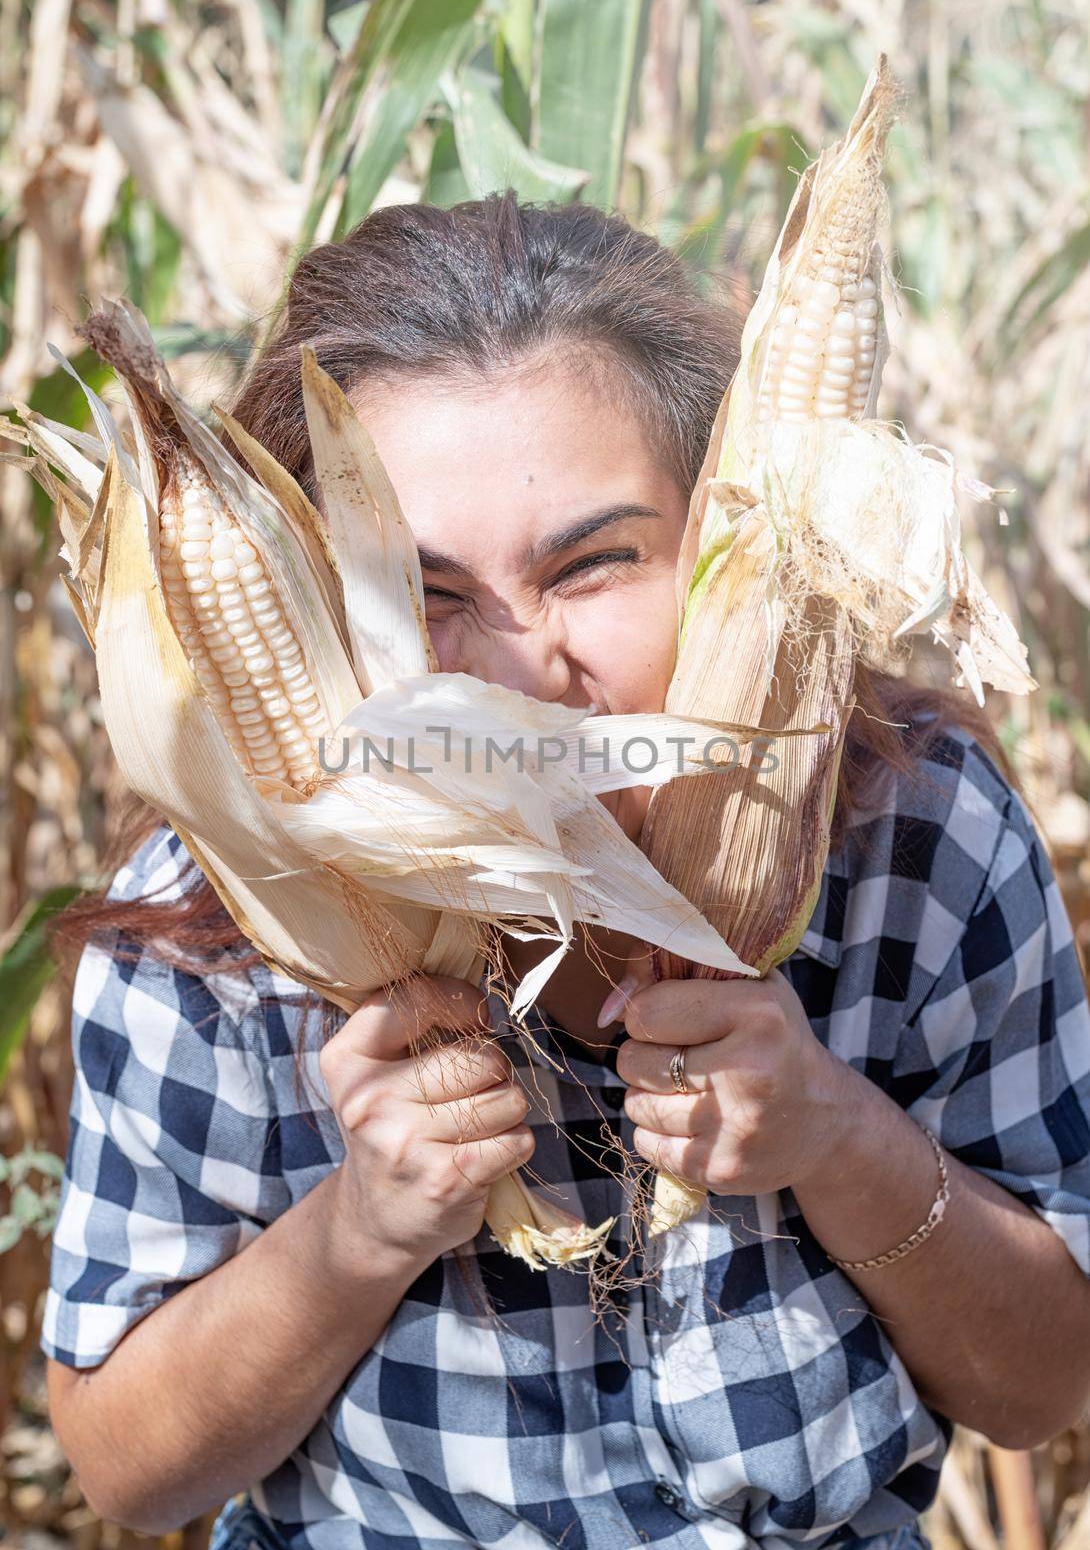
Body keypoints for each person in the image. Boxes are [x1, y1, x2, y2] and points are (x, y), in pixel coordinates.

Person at [40, 193, 1090, 1550]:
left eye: (590, 565)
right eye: (427, 597)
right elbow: (129, 1475)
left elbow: (1045, 1384)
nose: (526, 668)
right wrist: (361, 1228)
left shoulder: (919, 839)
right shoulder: (209, 923)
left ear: (726, 532)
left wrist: (836, 1137)